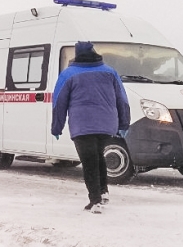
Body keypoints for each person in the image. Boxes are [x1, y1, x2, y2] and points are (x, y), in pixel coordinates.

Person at [51, 41, 130, 213]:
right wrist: (124, 123)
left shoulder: (69, 74)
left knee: (89, 161)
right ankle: (103, 192)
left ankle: (95, 200)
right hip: (106, 125)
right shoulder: (110, 72)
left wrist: (57, 127)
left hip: (82, 125)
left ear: (78, 54)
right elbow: (122, 99)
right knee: (98, 156)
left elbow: (59, 102)